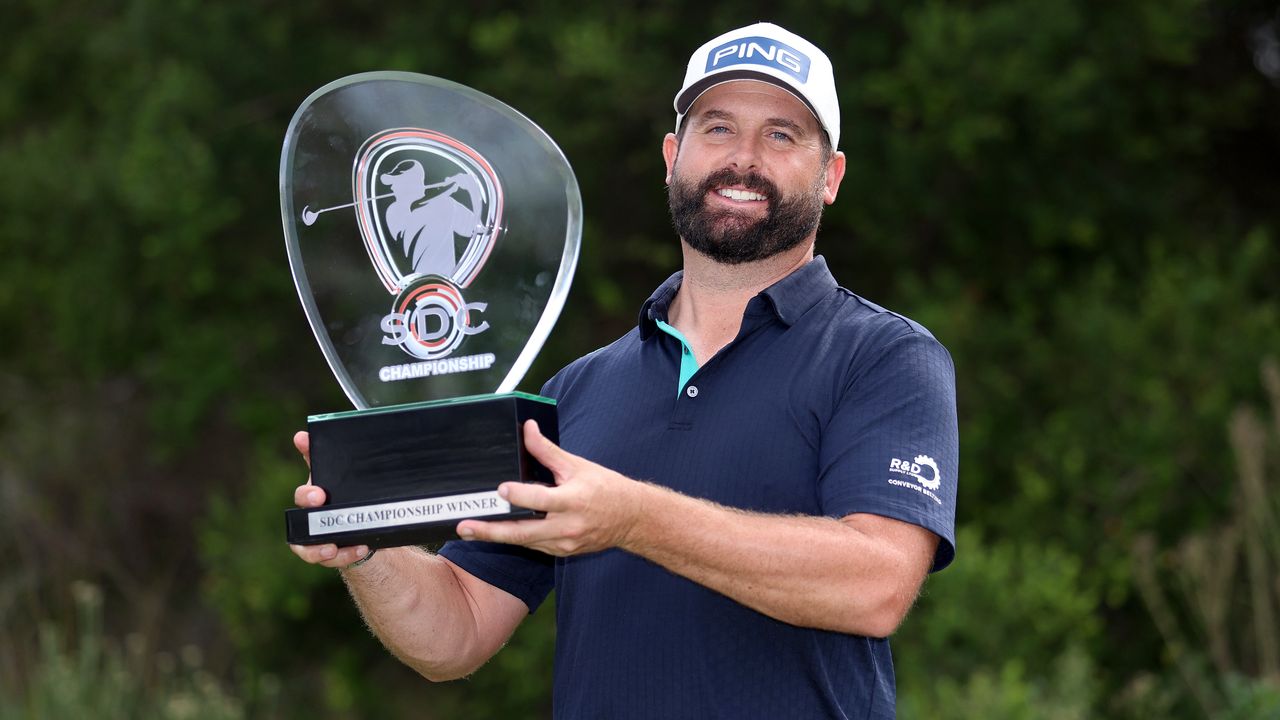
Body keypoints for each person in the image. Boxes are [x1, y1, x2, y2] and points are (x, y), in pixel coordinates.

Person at [292, 22, 957, 719]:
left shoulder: (885, 358)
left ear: (832, 177)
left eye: (783, 135)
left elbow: (876, 585)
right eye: (718, 128)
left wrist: (633, 519)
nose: (744, 159)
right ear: (672, 157)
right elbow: (455, 632)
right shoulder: (576, 392)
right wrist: (369, 547)